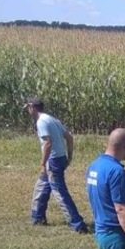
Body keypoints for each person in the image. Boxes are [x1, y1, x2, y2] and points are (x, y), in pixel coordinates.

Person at [26, 96, 89, 233]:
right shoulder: (52, 119)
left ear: (32, 107)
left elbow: (47, 143)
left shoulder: (41, 122)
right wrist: (69, 157)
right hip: (59, 158)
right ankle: (38, 218)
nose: (27, 111)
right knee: (41, 187)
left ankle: (78, 224)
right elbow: (69, 137)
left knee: (59, 192)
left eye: (28, 108)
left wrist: (43, 163)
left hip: (52, 161)